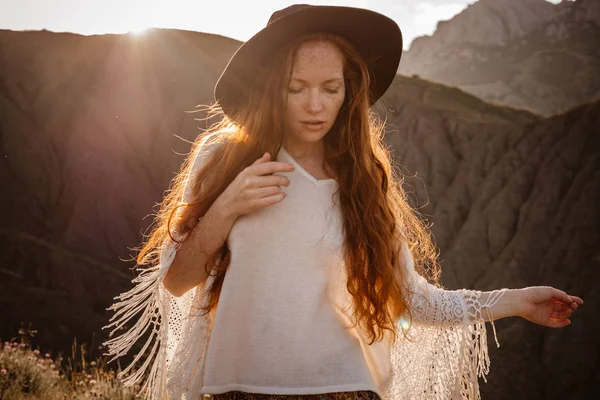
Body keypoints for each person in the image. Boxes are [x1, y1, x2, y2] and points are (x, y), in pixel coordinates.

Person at [102, 4, 583, 400]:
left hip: (344, 390)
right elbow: (178, 280)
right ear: (272, 89)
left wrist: (515, 302)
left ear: (348, 92)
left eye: (330, 89)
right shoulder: (223, 160)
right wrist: (227, 206)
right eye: (296, 88)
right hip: (236, 391)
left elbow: (414, 300)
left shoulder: (361, 182)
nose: (315, 105)